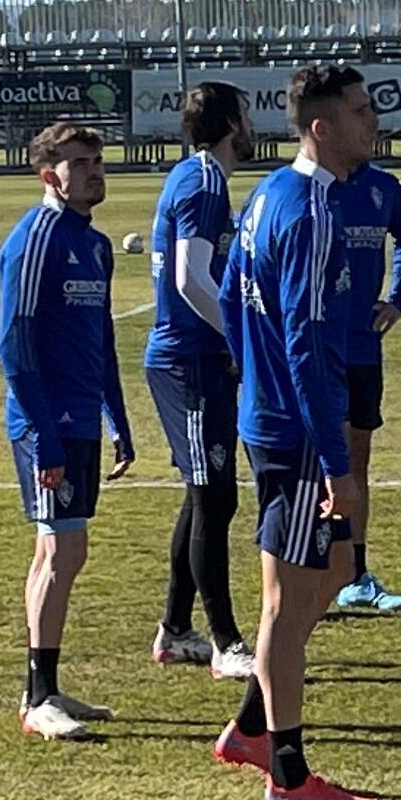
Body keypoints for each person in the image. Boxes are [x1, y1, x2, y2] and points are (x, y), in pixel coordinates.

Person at [215, 64, 383, 800]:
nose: (370, 120)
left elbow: (228, 295)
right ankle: (287, 774)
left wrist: (254, 383)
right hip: (296, 431)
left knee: (325, 576)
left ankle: (252, 727)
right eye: (357, 110)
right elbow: (307, 344)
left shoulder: (268, 196)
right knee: (288, 601)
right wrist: (336, 460)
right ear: (321, 127)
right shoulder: (311, 212)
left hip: (275, 418)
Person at [0, 119, 133, 739]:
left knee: (57, 552)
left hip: (80, 417)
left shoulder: (95, 245)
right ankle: (36, 696)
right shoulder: (35, 241)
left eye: (98, 161)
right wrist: (44, 435)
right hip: (45, 422)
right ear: (50, 174)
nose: (95, 172)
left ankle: (45, 688)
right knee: (62, 551)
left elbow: (100, 338)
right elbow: (14, 345)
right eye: (82, 163)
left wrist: (118, 417)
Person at [142, 80, 256, 684]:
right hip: (189, 361)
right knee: (216, 497)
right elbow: (190, 279)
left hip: (193, 358)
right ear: (232, 124)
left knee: (204, 493)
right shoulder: (205, 182)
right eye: (247, 113)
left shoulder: (196, 177)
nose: (252, 124)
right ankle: (226, 642)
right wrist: (239, 338)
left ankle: (175, 629)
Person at [328, 74, 401, 615]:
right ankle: (319, 568)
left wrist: (397, 298)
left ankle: (355, 574)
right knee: (325, 459)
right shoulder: (311, 189)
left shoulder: (382, 188)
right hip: (320, 348)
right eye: (362, 114)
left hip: (364, 347)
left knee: (356, 460)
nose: (371, 124)